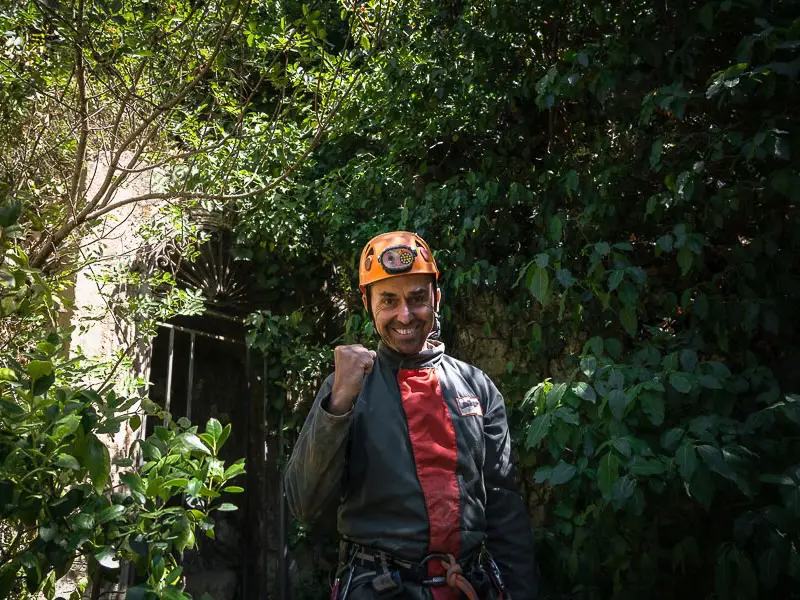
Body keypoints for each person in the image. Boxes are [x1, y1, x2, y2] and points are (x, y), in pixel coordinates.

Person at [284, 231, 539, 599]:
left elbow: (505, 509)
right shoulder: (346, 388)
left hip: (466, 586)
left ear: (436, 298)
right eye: (388, 300)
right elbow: (303, 505)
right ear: (368, 304)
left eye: (417, 298)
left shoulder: (477, 387)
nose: (404, 315)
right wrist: (339, 401)